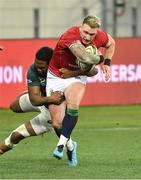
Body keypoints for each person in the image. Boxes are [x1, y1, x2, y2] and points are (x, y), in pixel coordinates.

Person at [0, 46, 94, 166]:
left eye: (42, 67)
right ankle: (30, 92)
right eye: (36, 65)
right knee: (13, 106)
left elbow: (93, 71)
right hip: (41, 99)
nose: (38, 69)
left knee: (16, 135)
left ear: (51, 64)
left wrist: (83, 68)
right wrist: (48, 97)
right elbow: (34, 100)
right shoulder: (33, 69)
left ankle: (70, 145)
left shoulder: (63, 69)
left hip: (52, 109)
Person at [46, 15, 115, 162]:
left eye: (92, 34)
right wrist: (101, 58)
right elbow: (86, 58)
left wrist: (107, 63)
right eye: (85, 32)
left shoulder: (99, 36)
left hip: (76, 76)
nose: (88, 37)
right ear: (80, 28)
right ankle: (71, 146)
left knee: (73, 104)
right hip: (56, 76)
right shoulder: (70, 35)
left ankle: (60, 145)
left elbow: (112, 43)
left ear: (96, 32)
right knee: (57, 123)